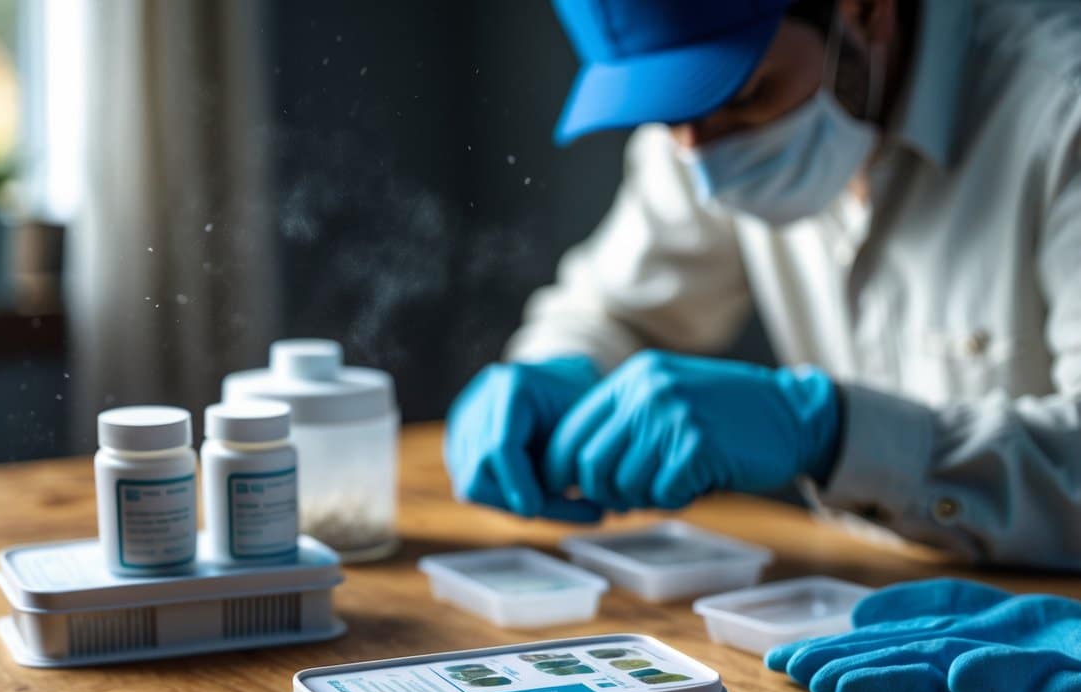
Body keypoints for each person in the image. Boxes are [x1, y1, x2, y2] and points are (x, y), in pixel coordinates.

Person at [444, 0, 1081, 569]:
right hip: (857, 589)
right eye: (669, 116)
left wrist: (831, 434)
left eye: (747, 95)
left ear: (865, 12)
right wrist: (558, 367)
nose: (708, 165)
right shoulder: (701, 128)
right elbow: (615, 312)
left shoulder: (1061, 108)